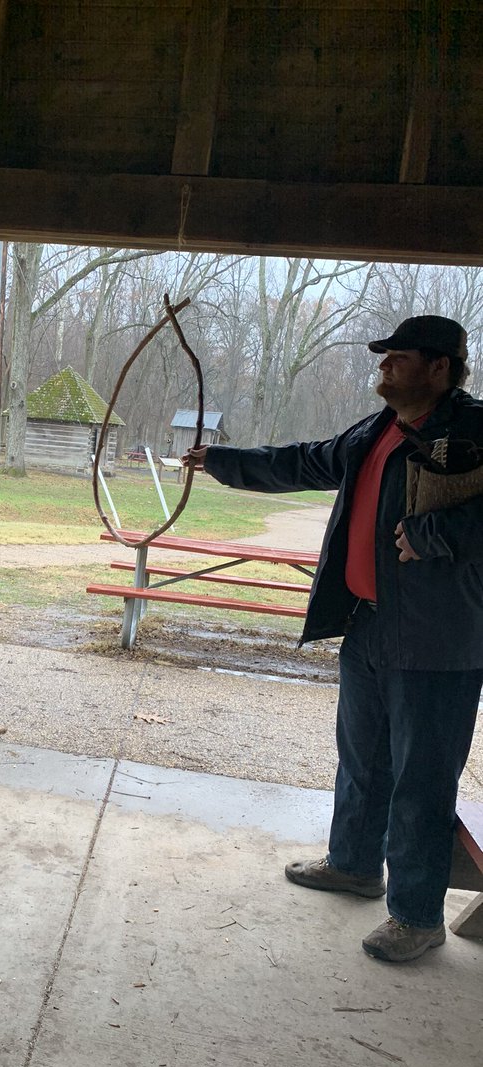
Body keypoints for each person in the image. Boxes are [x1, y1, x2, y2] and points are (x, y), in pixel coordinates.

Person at [188, 315, 483, 963]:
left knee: (421, 782)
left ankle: (416, 915)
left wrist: (441, 534)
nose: (382, 369)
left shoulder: (474, 431)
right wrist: (223, 462)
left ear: (439, 367)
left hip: (440, 640)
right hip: (370, 623)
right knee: (363, 760)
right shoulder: (377, 429)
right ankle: (353, 865)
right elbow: (305, 460)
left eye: (396, 359)